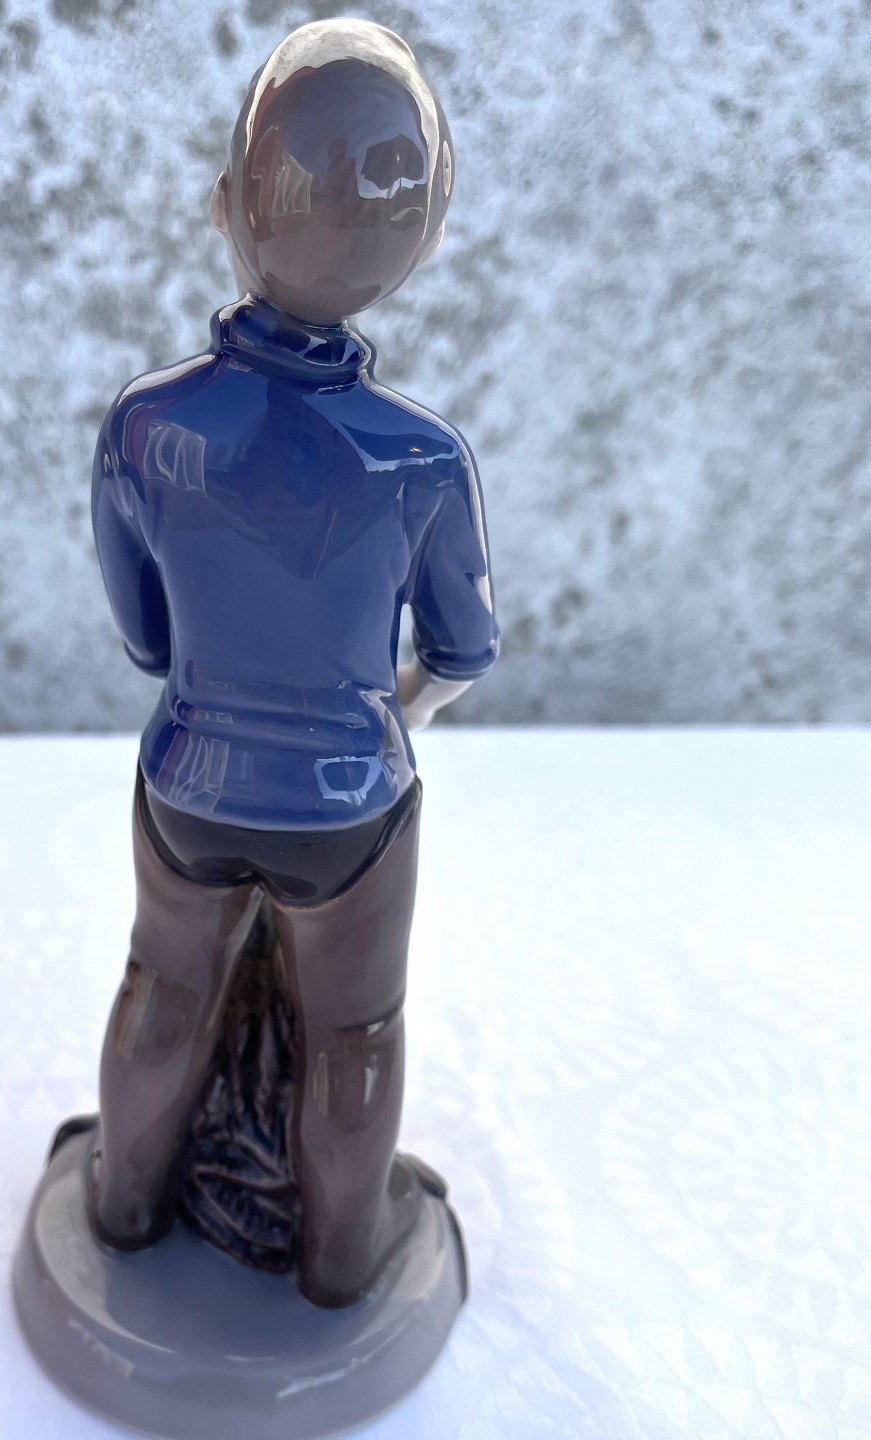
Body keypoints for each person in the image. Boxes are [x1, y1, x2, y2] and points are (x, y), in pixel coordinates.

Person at [87, 18, 498, 1309]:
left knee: (162, 985)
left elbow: (148, 643)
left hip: (190, 783)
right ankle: (339, 1268)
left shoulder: (146, 425)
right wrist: (382, 714)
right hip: (349, 811)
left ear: (225, 206)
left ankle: (119, 1211)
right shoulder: (423, 458)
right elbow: (462, 655)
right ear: (425, 246)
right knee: (354, 1033)